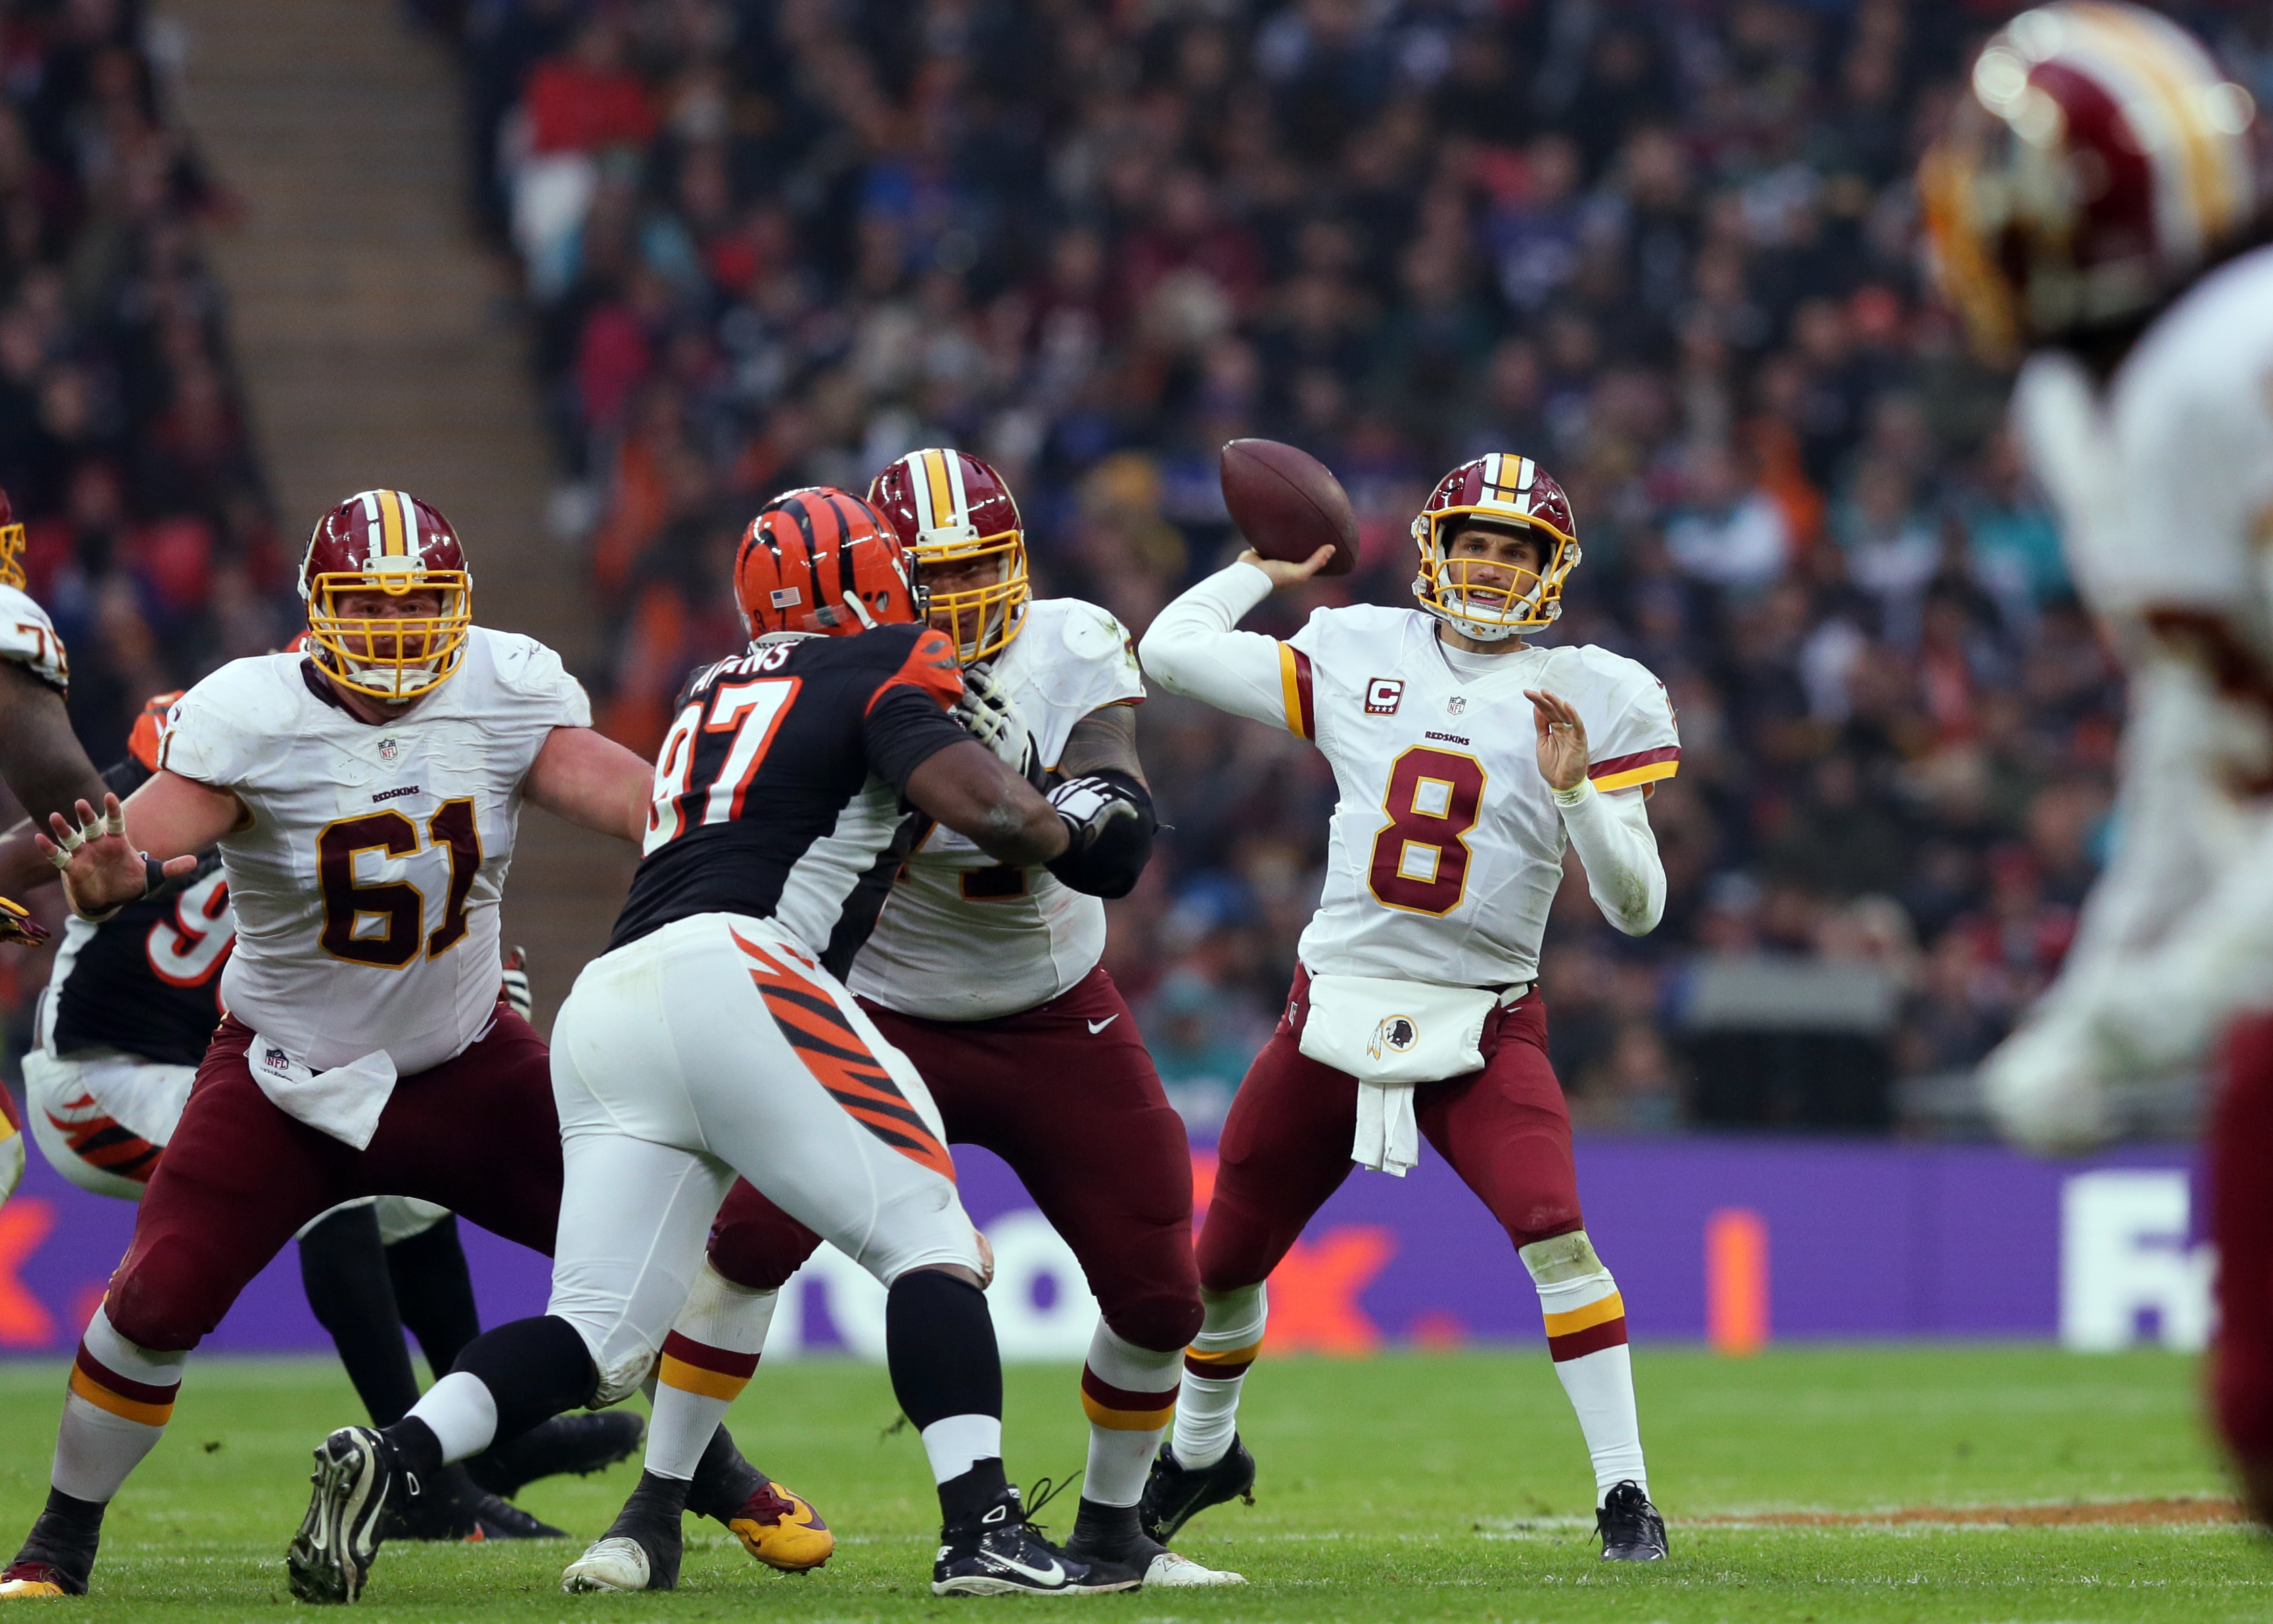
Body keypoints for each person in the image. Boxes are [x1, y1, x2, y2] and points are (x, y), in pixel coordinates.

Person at [283, 486, 1156, 1604]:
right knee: (933, 1237)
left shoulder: (709, 688)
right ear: (869, 579)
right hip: (742, 972)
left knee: (597, 1334)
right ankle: (981, 1527)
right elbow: (986, 809)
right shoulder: (884, 659)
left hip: (615, 999)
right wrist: (1071, 827)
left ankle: (397, 1453)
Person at [0, 490, 806, 1599]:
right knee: (150, 1304)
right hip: (285, 1076)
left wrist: (714, 821)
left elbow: (629, 796)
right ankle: (59, 1540)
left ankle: (706, 1479)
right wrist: (108, 874)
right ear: (315, 611)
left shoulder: (505, 685)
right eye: (366, 607)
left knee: (643, 1254)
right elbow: (144, 840)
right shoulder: (252, 709)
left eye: (419, 605)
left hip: (468, 1061)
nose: (392, 629)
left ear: (461, 605)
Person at [576, 448, 1235, 1590]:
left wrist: (1100, 804)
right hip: (876, 1001)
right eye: (938, 575)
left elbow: (1112, 777)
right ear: (880, 577)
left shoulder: (1067, 639)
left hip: (1051, 1008)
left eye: (987, 569)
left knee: (1159, 1291)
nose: (971, 597)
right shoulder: (843, 670)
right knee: (747, 1250)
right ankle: (655, 1507)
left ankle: (1114, 1534)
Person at [1137, 453, 1676, 1562]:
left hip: (1483, 1021)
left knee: (1556, 1237)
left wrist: (1577, 790)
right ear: (1438, 549)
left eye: (1514, 550)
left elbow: (1638, 909)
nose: (1489, 566)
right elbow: (1170, 652)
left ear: (1550, 568)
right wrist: (1257, 565)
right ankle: (1201, 1451)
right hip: (1333, 1005)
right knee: (1223, 1265)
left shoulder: (1597, 690)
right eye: (1475, 543)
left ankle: (1627, 1495)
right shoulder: (1357, 645)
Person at [1920, 1, 2273, 1521]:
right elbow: (2195, 730)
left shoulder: (2232, 364)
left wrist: (2143, 1017)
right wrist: (2095, 990)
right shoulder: (2083, 401)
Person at [15, 693, 640, 1539]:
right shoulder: (152, 829)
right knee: (338, 1185)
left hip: (197, 1061)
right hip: (101, 1083)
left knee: (408, 1199)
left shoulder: (295, 797)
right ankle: (426, 1489)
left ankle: (485, 1446)